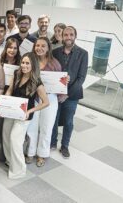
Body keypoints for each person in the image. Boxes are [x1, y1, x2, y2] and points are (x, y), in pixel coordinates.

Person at [1, 52, 49, 179]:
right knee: (6, 136)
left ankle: (19, 170)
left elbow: (46, 103)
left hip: (24, 115)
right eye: (23, 62)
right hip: (11, 110)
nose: (24, 65)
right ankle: (10, 161)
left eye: (27, 63)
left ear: (33, 65)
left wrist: (30, 111)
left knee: (15, 140)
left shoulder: (37, 82)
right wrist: (5, 101)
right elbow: (10, 89)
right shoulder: (17, 74)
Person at [51, 26, 88, 158]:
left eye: (71, 34)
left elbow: (81, 78)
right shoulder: (55, 52)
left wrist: (67, 94)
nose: (68, 37)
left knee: (68, 121)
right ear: (62, 36)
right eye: (65, 34)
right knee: (54, 119)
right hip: (56, 93)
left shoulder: (83, 53)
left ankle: (65, 145)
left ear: (75, 36)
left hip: (72, 95)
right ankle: (53, 142)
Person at [26, 37, 63, 167]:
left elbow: (60, 83)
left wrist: (65, 82)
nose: (39, 48)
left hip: (50, 99)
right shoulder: (30, 61)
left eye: (43, 46)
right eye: (37, 46)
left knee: (46, 127)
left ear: (48, 48)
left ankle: (42, 153)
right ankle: (30, 152)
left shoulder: (55, 64)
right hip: (33, 98)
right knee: (31, 127)